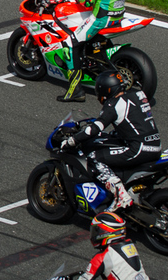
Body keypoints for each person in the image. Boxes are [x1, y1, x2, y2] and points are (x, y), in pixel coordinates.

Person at [61, 70, 160, 210]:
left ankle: (120, 195)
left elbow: (94, 129)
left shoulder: (113, 105)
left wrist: (72, 140)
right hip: (155, 145)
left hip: (138, 149)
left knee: (94, 157)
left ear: (106, 89)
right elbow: (134, 122)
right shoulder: (138, 94)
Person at [57, 0, 130, 102]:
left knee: (70, 43)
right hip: (118, 15)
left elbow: (89, 1)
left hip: (101, 18)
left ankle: (75, 91)